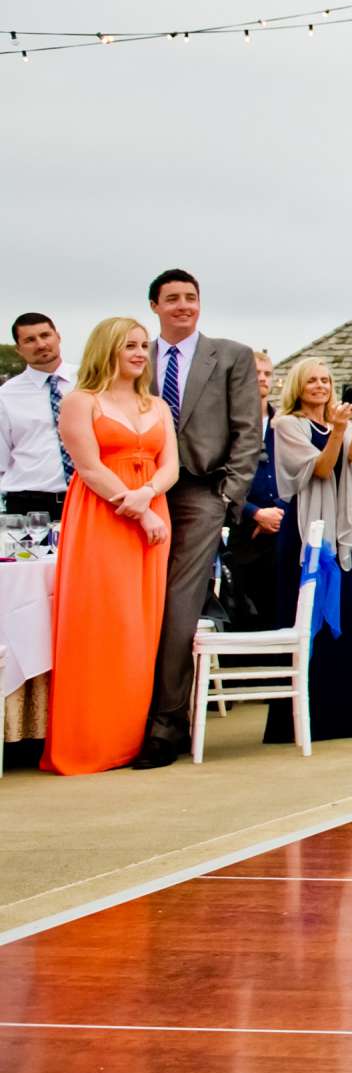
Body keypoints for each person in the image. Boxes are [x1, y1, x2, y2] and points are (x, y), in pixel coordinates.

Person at [136, 269, 264, 769]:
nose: (184, 306)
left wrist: (227, 499)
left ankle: (166, 724)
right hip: (138, 492)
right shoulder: (135, 355)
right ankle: (124, 714)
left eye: (191, 298)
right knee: (136, 602)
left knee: (178, 606)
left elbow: (247, 432)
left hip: (199, 492)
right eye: (172, 299)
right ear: (155, 306)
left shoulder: (229, 355)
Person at [42, 318, 172, 774]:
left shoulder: (156, 404)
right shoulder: (80, 401)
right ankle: (93, 740)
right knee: (102, 620)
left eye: (142, 345)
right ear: (107, 350)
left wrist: (149, 494)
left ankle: (130, 739)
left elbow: (170, 465)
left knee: (141, 626)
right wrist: (138, 506)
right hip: (104, 515)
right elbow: (88, 466)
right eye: (129, 346)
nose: (139, 353)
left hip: (152, 516)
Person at [263, 358, 352, 744]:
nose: (320, 386)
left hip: (338, 532)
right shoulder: (286, 425)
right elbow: (322, 469)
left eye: (326, 380)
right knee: (307, 617)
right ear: (298, 385)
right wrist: (338, 432)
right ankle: (302, 715)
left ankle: (347, 714)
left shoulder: (335, 423)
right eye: (312, 380)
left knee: (346, 614)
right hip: (305, 531)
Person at [218, 350, 285, 634]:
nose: (262, 379)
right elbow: (219, 477)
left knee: (282, 607)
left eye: (267, 373)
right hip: (243, 526)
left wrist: (278, 514)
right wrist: (256, 513)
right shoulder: (226, 425)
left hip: (283, 525)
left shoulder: (283, 422)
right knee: (244, 607)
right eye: (256, 373)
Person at [0, 312, 72, 519]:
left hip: (87, 498)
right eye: (30, 340)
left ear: (58, 337)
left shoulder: (89, 381)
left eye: (45, 335)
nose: (41, 344)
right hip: (29, 504)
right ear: (19, 349)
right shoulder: (6, 395)